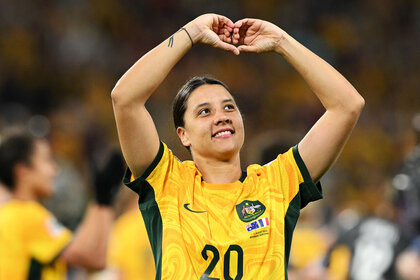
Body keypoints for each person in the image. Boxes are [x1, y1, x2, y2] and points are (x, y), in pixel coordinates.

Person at [111, 14, 365, 279]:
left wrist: (281, 42)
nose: (221, 116)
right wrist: (192, 32)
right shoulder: (167, 183)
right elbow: (125, 98)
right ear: (183, 135)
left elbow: (347, 105)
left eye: (229, 107)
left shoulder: (277, 184)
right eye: (204, 112)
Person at [0, 131, 124, 279]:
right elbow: (93, 258)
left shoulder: (13, 214)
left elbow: (92, 258)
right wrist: (103, 200)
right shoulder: (25, 215)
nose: (55, 169)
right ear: (23, 171)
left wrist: (101, 200)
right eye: (47, 160)